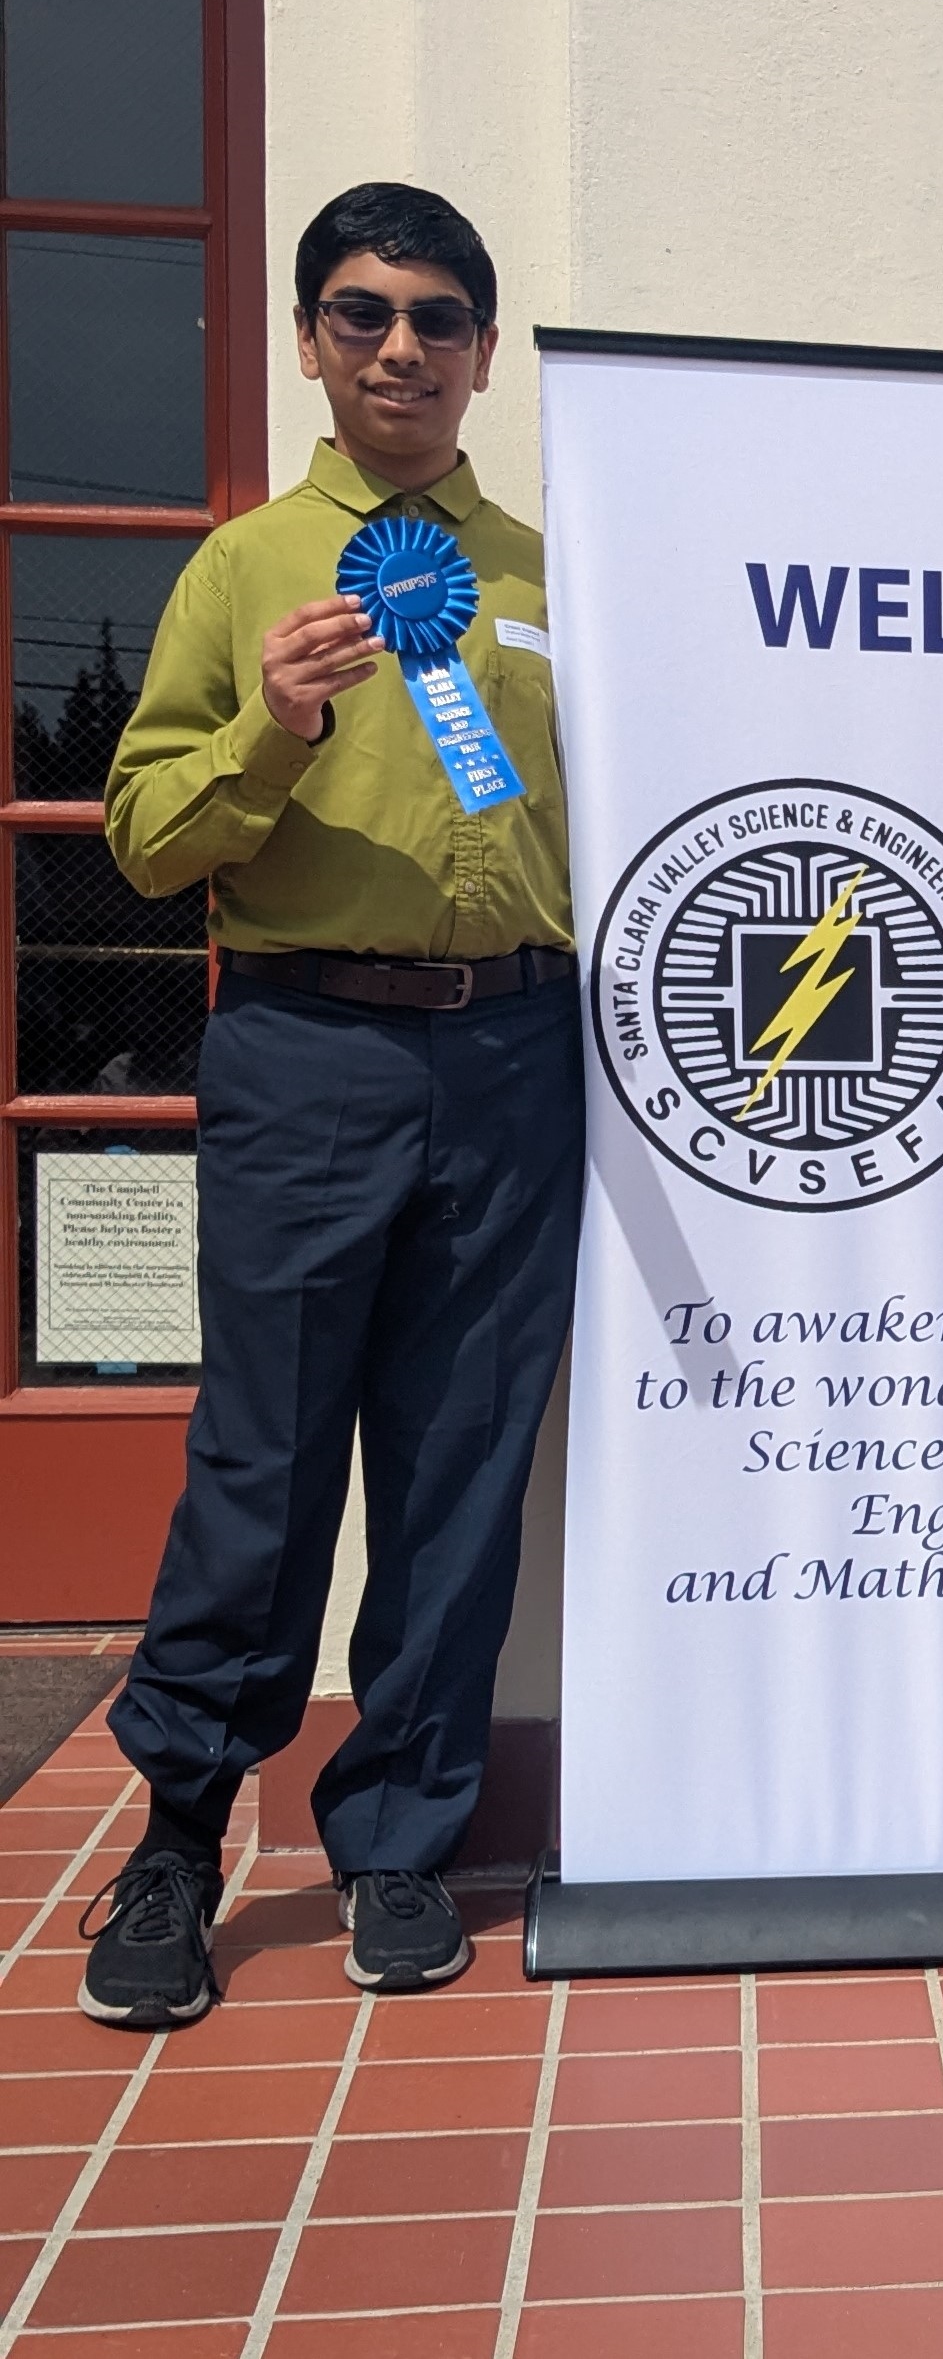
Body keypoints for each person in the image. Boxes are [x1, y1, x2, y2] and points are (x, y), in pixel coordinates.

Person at [79, 183, 581, 2028]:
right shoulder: (242, 570)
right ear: (308, 339)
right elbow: (143, 840)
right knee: (267, 1456)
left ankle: (399, 1840)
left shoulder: (551, 578)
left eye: (439, 317)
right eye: (362, 311)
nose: (400, 347)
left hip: (516, 1057)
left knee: (461, 1466)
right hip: (309, 1052)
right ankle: (177, 1837)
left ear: (483, 353)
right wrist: (267, 729)